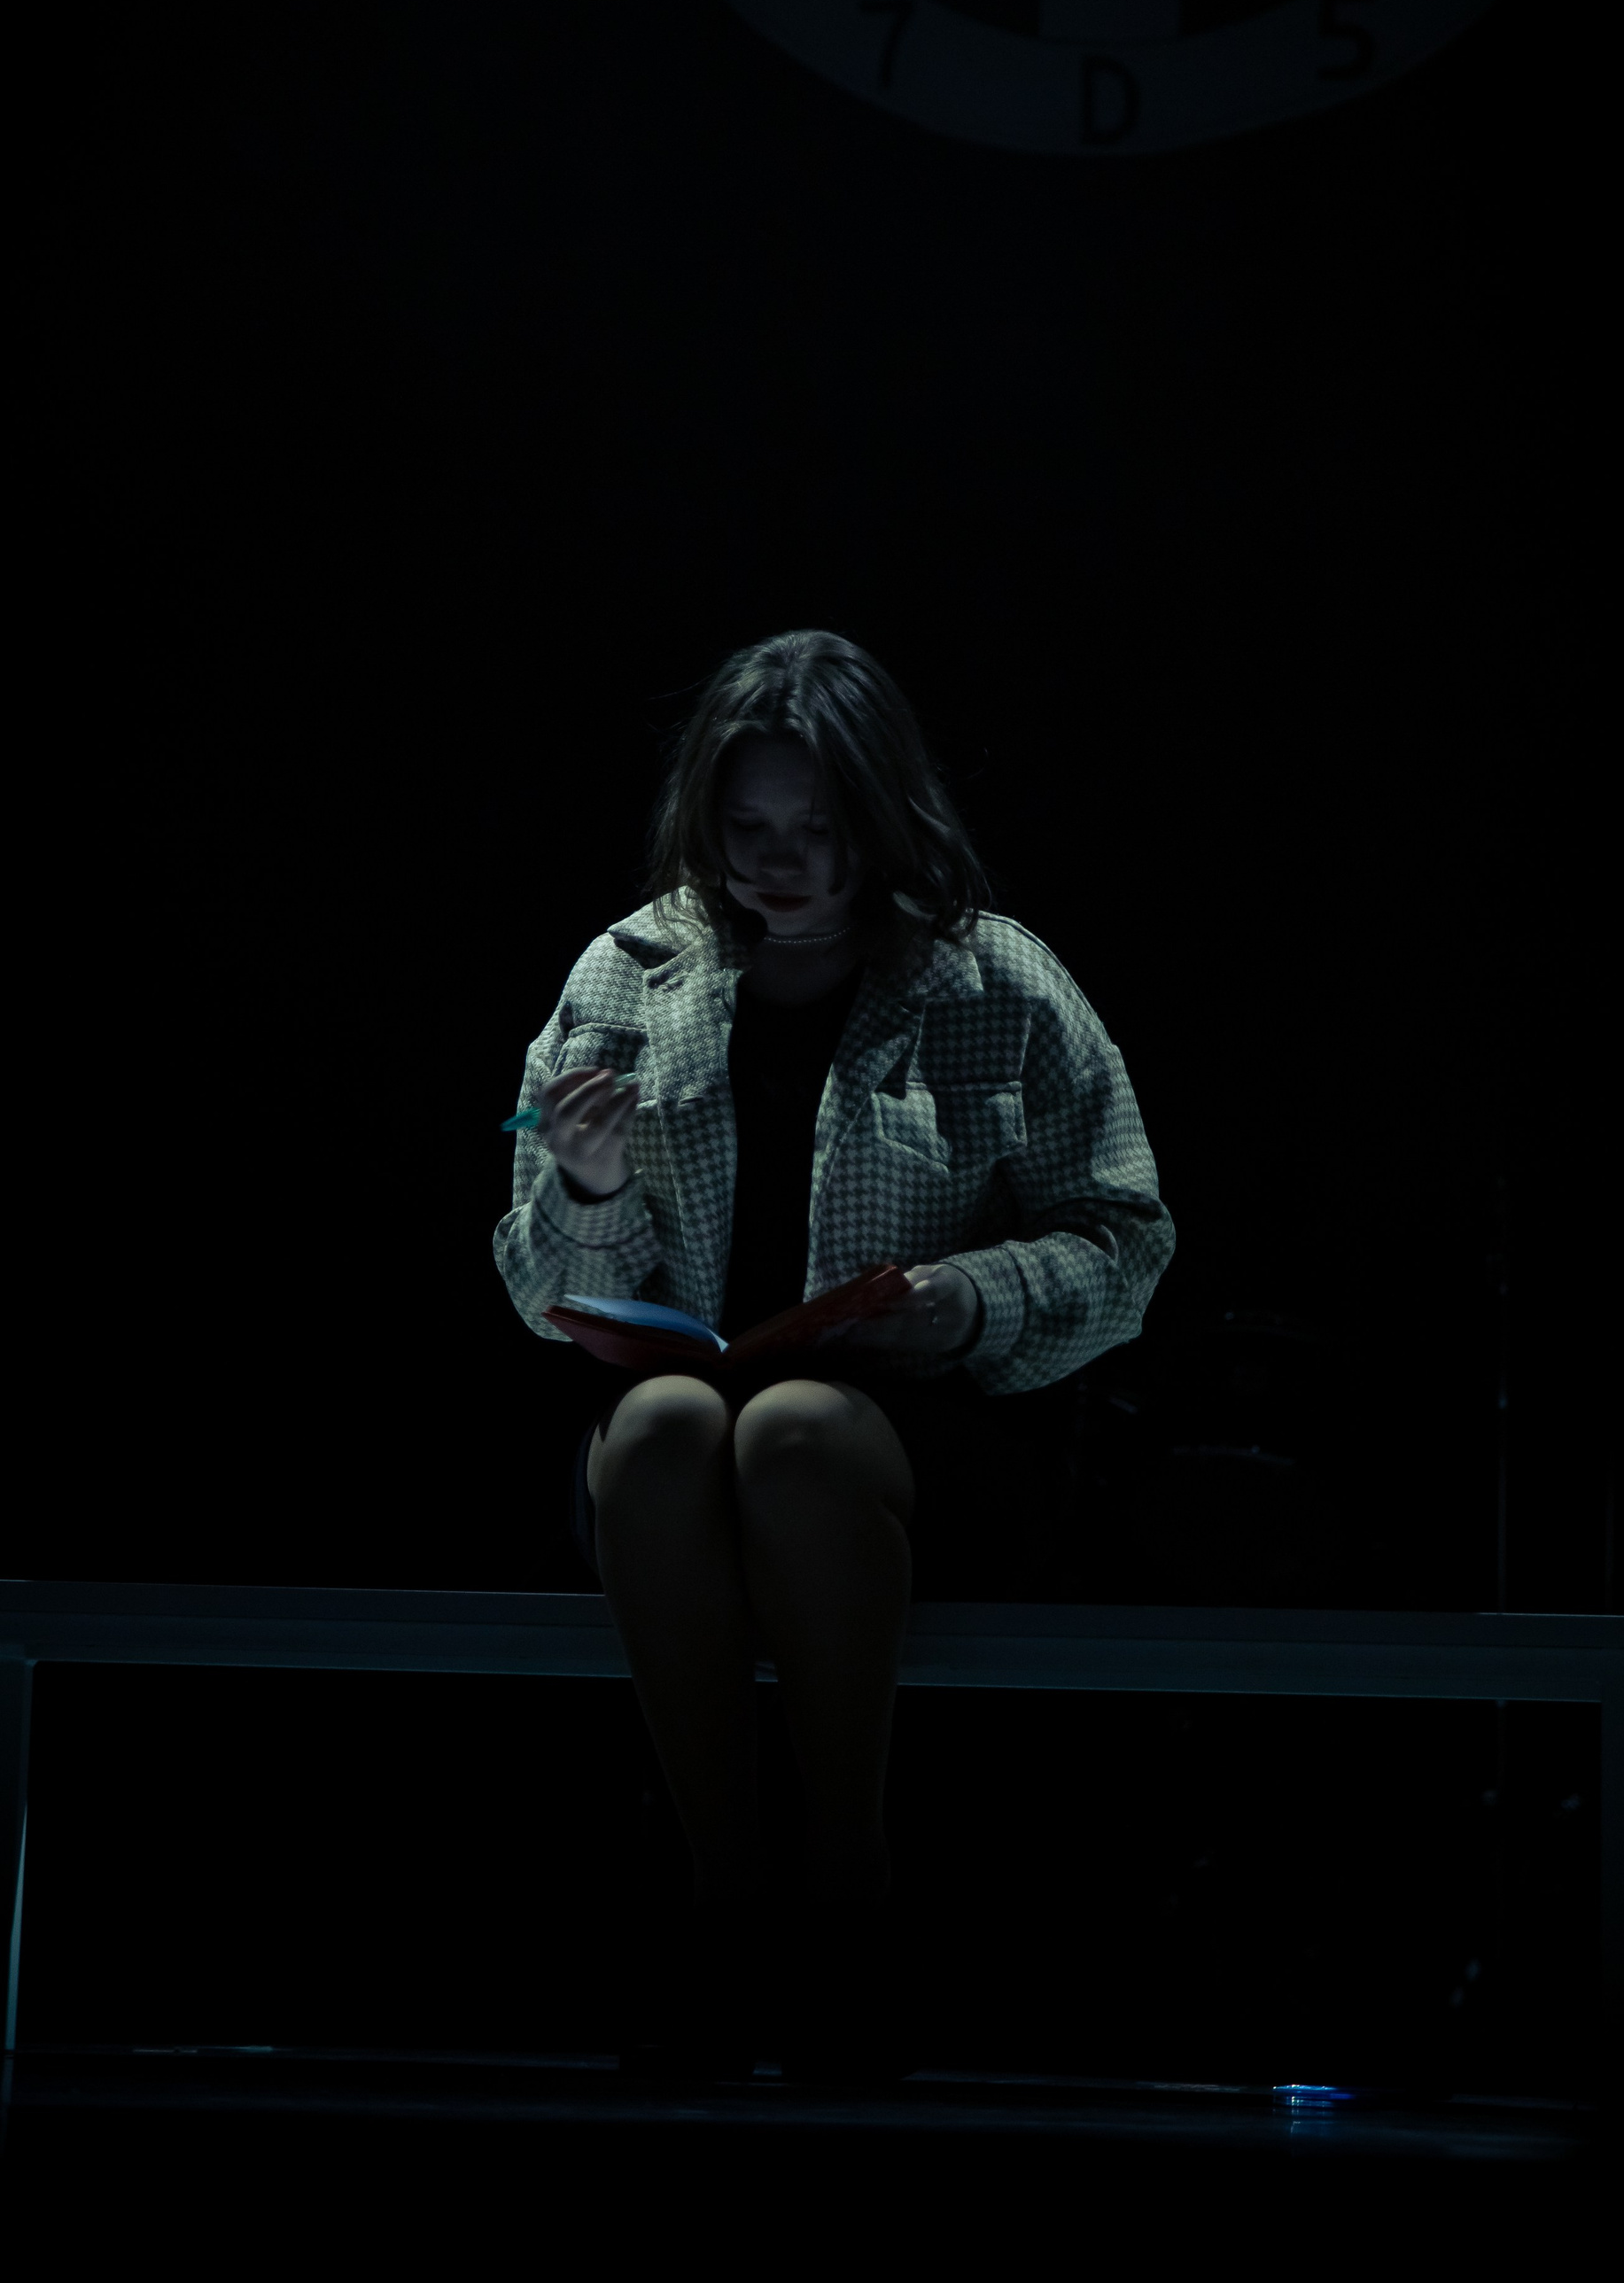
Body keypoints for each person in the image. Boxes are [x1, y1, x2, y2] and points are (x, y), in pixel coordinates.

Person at [492, 629, 1175, 2083]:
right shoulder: (629, 973)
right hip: (688, 1443)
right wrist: (591, 1192)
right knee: (668, 1425)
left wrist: (968, 1298)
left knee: (795, 1427)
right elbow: (539, 1286)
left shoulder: (993, 979)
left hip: (920, 1446)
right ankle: (724, 1893)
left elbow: (1124, 1241)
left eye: (816, 827)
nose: (780, 863)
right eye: (748, 827)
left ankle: (850, 1891)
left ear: (880, 813)